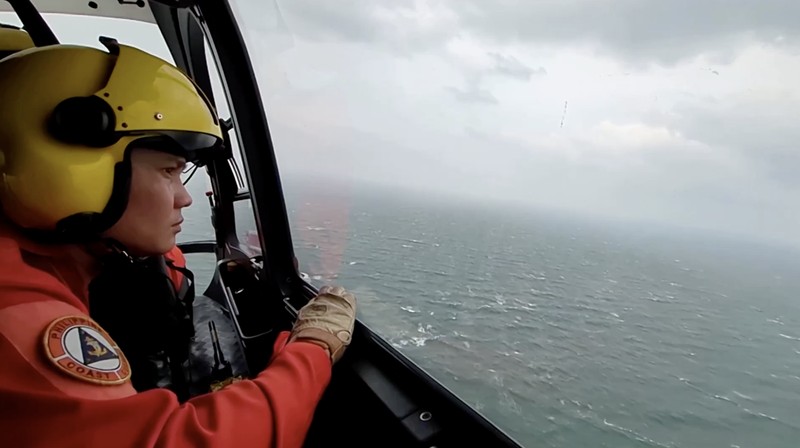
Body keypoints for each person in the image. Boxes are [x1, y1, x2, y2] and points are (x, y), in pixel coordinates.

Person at [0, 37, 357, 448]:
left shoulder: (74, 255)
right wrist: (313, 348)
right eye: (169, 171)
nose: (185, 197)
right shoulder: (15, 312)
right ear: (69, 167)